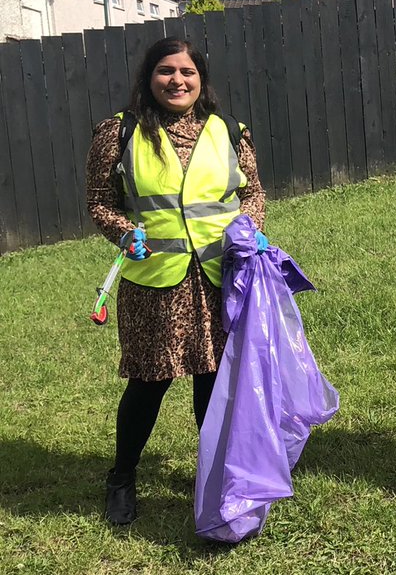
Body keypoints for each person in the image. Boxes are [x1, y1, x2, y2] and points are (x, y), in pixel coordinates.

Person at [85, 38, 268, 524]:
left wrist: (249, 230)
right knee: (149, 382)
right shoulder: (118, 133)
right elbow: (99, 201)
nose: (177, 80)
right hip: (155, 285)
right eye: (166, 70)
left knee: (213, 380)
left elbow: (252, 195)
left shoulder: (229, 131)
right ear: (149, 77)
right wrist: (123, 233)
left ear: (201, 79)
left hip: (219, 279)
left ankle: (214, 473)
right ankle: (122, 478)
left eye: (187, 71)